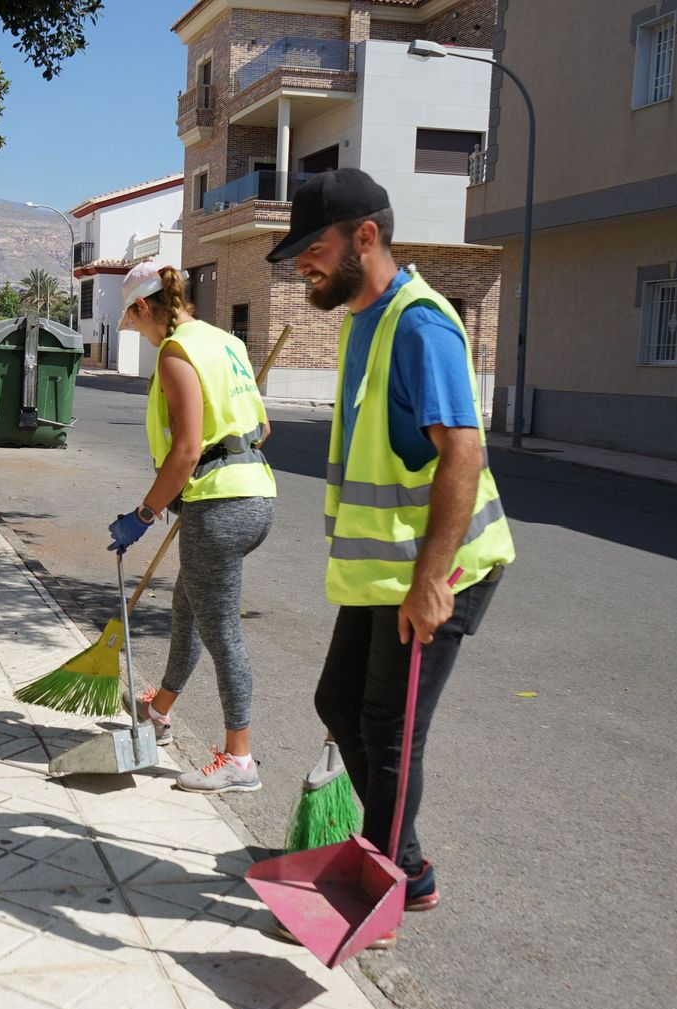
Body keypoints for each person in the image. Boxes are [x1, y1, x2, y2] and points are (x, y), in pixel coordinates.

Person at [266, 169, 514, 937]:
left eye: (313, 248)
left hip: (442, 570)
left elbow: (463, 453)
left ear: (364, 237)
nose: (302, 263)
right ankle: (407, 863)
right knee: (339, 704)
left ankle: (382, 888)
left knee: (390, 728)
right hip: (387, 569)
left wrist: (433, 581)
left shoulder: (420, 324)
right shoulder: (360, 325)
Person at [108, 260, 277, 794]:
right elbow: (263, 427)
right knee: (189, 608)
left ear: (143, 307)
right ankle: (159, 711)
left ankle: (239, 758)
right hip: (255, 495)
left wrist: (144, 513)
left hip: (220, 507)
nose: (134, 332)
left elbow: (183, 450)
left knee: (221, 628)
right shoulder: (226, 342)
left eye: (131, 323)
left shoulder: (176, 353)